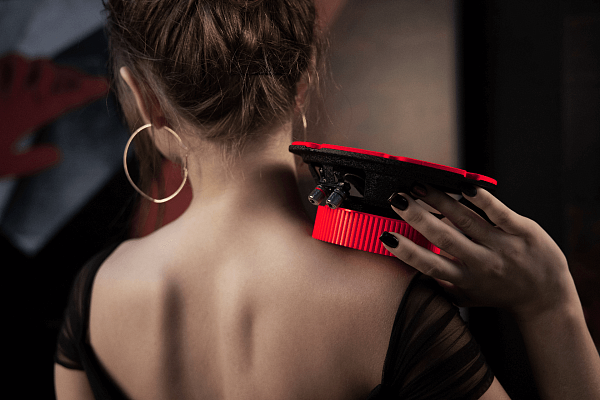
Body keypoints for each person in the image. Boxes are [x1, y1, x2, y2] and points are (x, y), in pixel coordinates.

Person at [54, 1, 600, 399]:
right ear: (302, 79)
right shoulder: (387, 306)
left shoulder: (93, 297)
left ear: (145, 98)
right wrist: (550, 303)